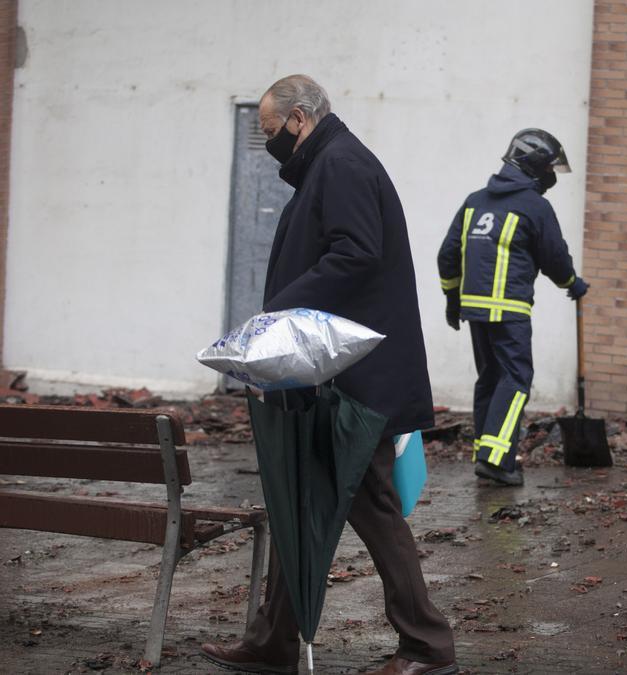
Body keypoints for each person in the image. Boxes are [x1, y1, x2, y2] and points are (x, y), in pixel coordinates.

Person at [200, 75, 457, 675]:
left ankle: (427, 646)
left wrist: (279, 313)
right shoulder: (331, 164)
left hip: (356, 387)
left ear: (298, 119)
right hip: (341, 380)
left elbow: (355, 252)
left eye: (270, 131)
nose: (269, 143)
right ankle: (272, 641)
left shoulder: (340, 165)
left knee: (369, 504)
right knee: (303, 501)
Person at [437, 129, 588, 487]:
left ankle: (485, 451)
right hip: (509, 310)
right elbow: (553, 257)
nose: (552, 176)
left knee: (490, 378)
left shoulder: (475, 201)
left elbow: (447, 255)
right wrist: (572, 283)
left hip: (474, 309)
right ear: (534, 165)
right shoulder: (535, 206)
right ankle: (496, 459)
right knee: (516, 379)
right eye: (550, 167)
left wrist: (452, 300)